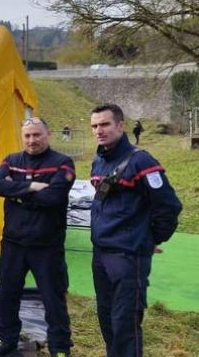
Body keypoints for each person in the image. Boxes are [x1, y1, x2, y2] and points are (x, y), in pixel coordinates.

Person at [89, 104, 181, 357]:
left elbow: (169, 207)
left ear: (120, 125)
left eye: (105, 124)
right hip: (101, 254)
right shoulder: (99, 160)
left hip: (128, 257)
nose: (99, 130)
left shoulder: (141, 161)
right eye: (95, 126)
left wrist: (149, 238)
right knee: (107, 321)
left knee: (125, 325)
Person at [0, 117, 75, 357]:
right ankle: (5, 339)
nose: (32, 140)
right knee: (8, 294)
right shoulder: (11, 160)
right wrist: (34, 188)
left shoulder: (62, 163)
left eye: (37, 135)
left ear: (48, 135)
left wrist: (17, 193)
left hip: (46, 245)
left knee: (52, 298)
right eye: (27, 136)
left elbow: (54, 197)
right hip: (14, 243)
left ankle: (60, 347)